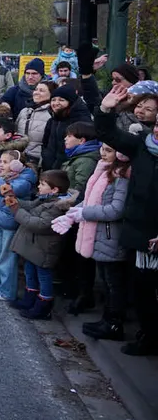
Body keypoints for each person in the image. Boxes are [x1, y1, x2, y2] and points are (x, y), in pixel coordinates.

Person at [96, 85, 158, 355]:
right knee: (142, 290)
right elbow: (108, 133)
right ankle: (147, 336)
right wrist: (106, 109)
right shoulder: (143, 147)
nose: (156, 130)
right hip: (138, 232)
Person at [62, 144, 130, 341]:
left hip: (110, 235)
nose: (103, 153)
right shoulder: (102, 169)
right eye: (103, 148)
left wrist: (85, 213)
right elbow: (91, 199)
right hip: (99, 233)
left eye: (109, 150)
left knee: (113, 282)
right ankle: (106, 319)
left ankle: (114, 323)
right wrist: (75, 212)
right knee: (108, 280)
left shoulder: (121, 176)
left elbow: (116, 209)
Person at [7, 170, 74, 319]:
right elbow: (31, 206)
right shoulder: (45, 199)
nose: (38, 186)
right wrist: (15, 200)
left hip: (45, 248)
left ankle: (44, 304)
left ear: (55, 189)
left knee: (44, 276)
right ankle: (30, 298)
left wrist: (17, 211)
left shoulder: (57, 207)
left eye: (42, 184)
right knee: (30, 271)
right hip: (35, 247)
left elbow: (39, 224)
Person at [0, 150, 36, 301]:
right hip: (0, 221)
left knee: (6, 259)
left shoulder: (25, 179)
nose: (0, 164)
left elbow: (7, 190)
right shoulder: (1, 177)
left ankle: (7, 291)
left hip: (10, 222)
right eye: (0, 161)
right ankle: (2, 287)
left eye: (5, 162)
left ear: (16, 165)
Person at [15, 82, 54, 165]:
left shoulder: (52, 113)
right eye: (36, 89)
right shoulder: (24, 111)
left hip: (38, 159)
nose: (36, 92)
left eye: (42, 90)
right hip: (18, 156)